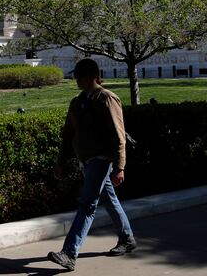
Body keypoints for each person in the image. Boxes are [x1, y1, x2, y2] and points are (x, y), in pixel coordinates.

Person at [47, 58, 136, 271]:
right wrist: (61, 162)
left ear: (91, 76)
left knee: (88, 204)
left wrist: (120, 166)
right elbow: (68, 134)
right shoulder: (77, 102)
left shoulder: (106, 99)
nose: (76, 79)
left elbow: (118, 135)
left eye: (79, 75)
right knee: (109, 198)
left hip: (101, 159)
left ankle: (69, 252)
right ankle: (127, 238)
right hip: (86, 160)